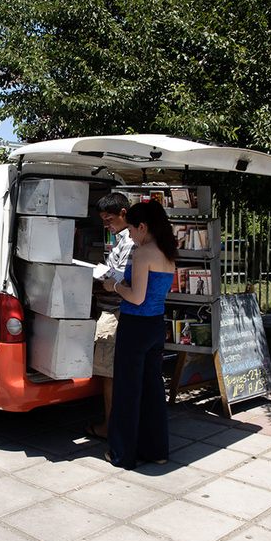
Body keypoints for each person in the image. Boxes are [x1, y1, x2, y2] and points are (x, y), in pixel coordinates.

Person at [102, 200, 178, 468]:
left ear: (142, 226)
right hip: (157, 324)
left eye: (132, 230)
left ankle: (123, 454)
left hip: (136, 325)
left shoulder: (143, 253)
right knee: (153, 390)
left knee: (127, 391)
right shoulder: (168, 253)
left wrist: (115, 287)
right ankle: (157, 450)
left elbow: (136, 297)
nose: (130, 236)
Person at [84, 193, 134, 440]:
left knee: (109, 374)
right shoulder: (121, 238)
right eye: (103, 220)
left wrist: (104, 280)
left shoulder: (130, 241)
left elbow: (123, 277)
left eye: (109, 219)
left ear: (124, 214)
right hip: (112, 308)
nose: (106, 225)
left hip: (115, 311)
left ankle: (110, 426)